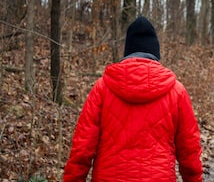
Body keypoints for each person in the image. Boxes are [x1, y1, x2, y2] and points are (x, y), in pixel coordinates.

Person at [63, 16, 203, 182]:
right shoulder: (176, 92)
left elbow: (82, 148)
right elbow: (189, 150)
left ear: (127, 52)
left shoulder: (102, 88)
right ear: (156, 53)